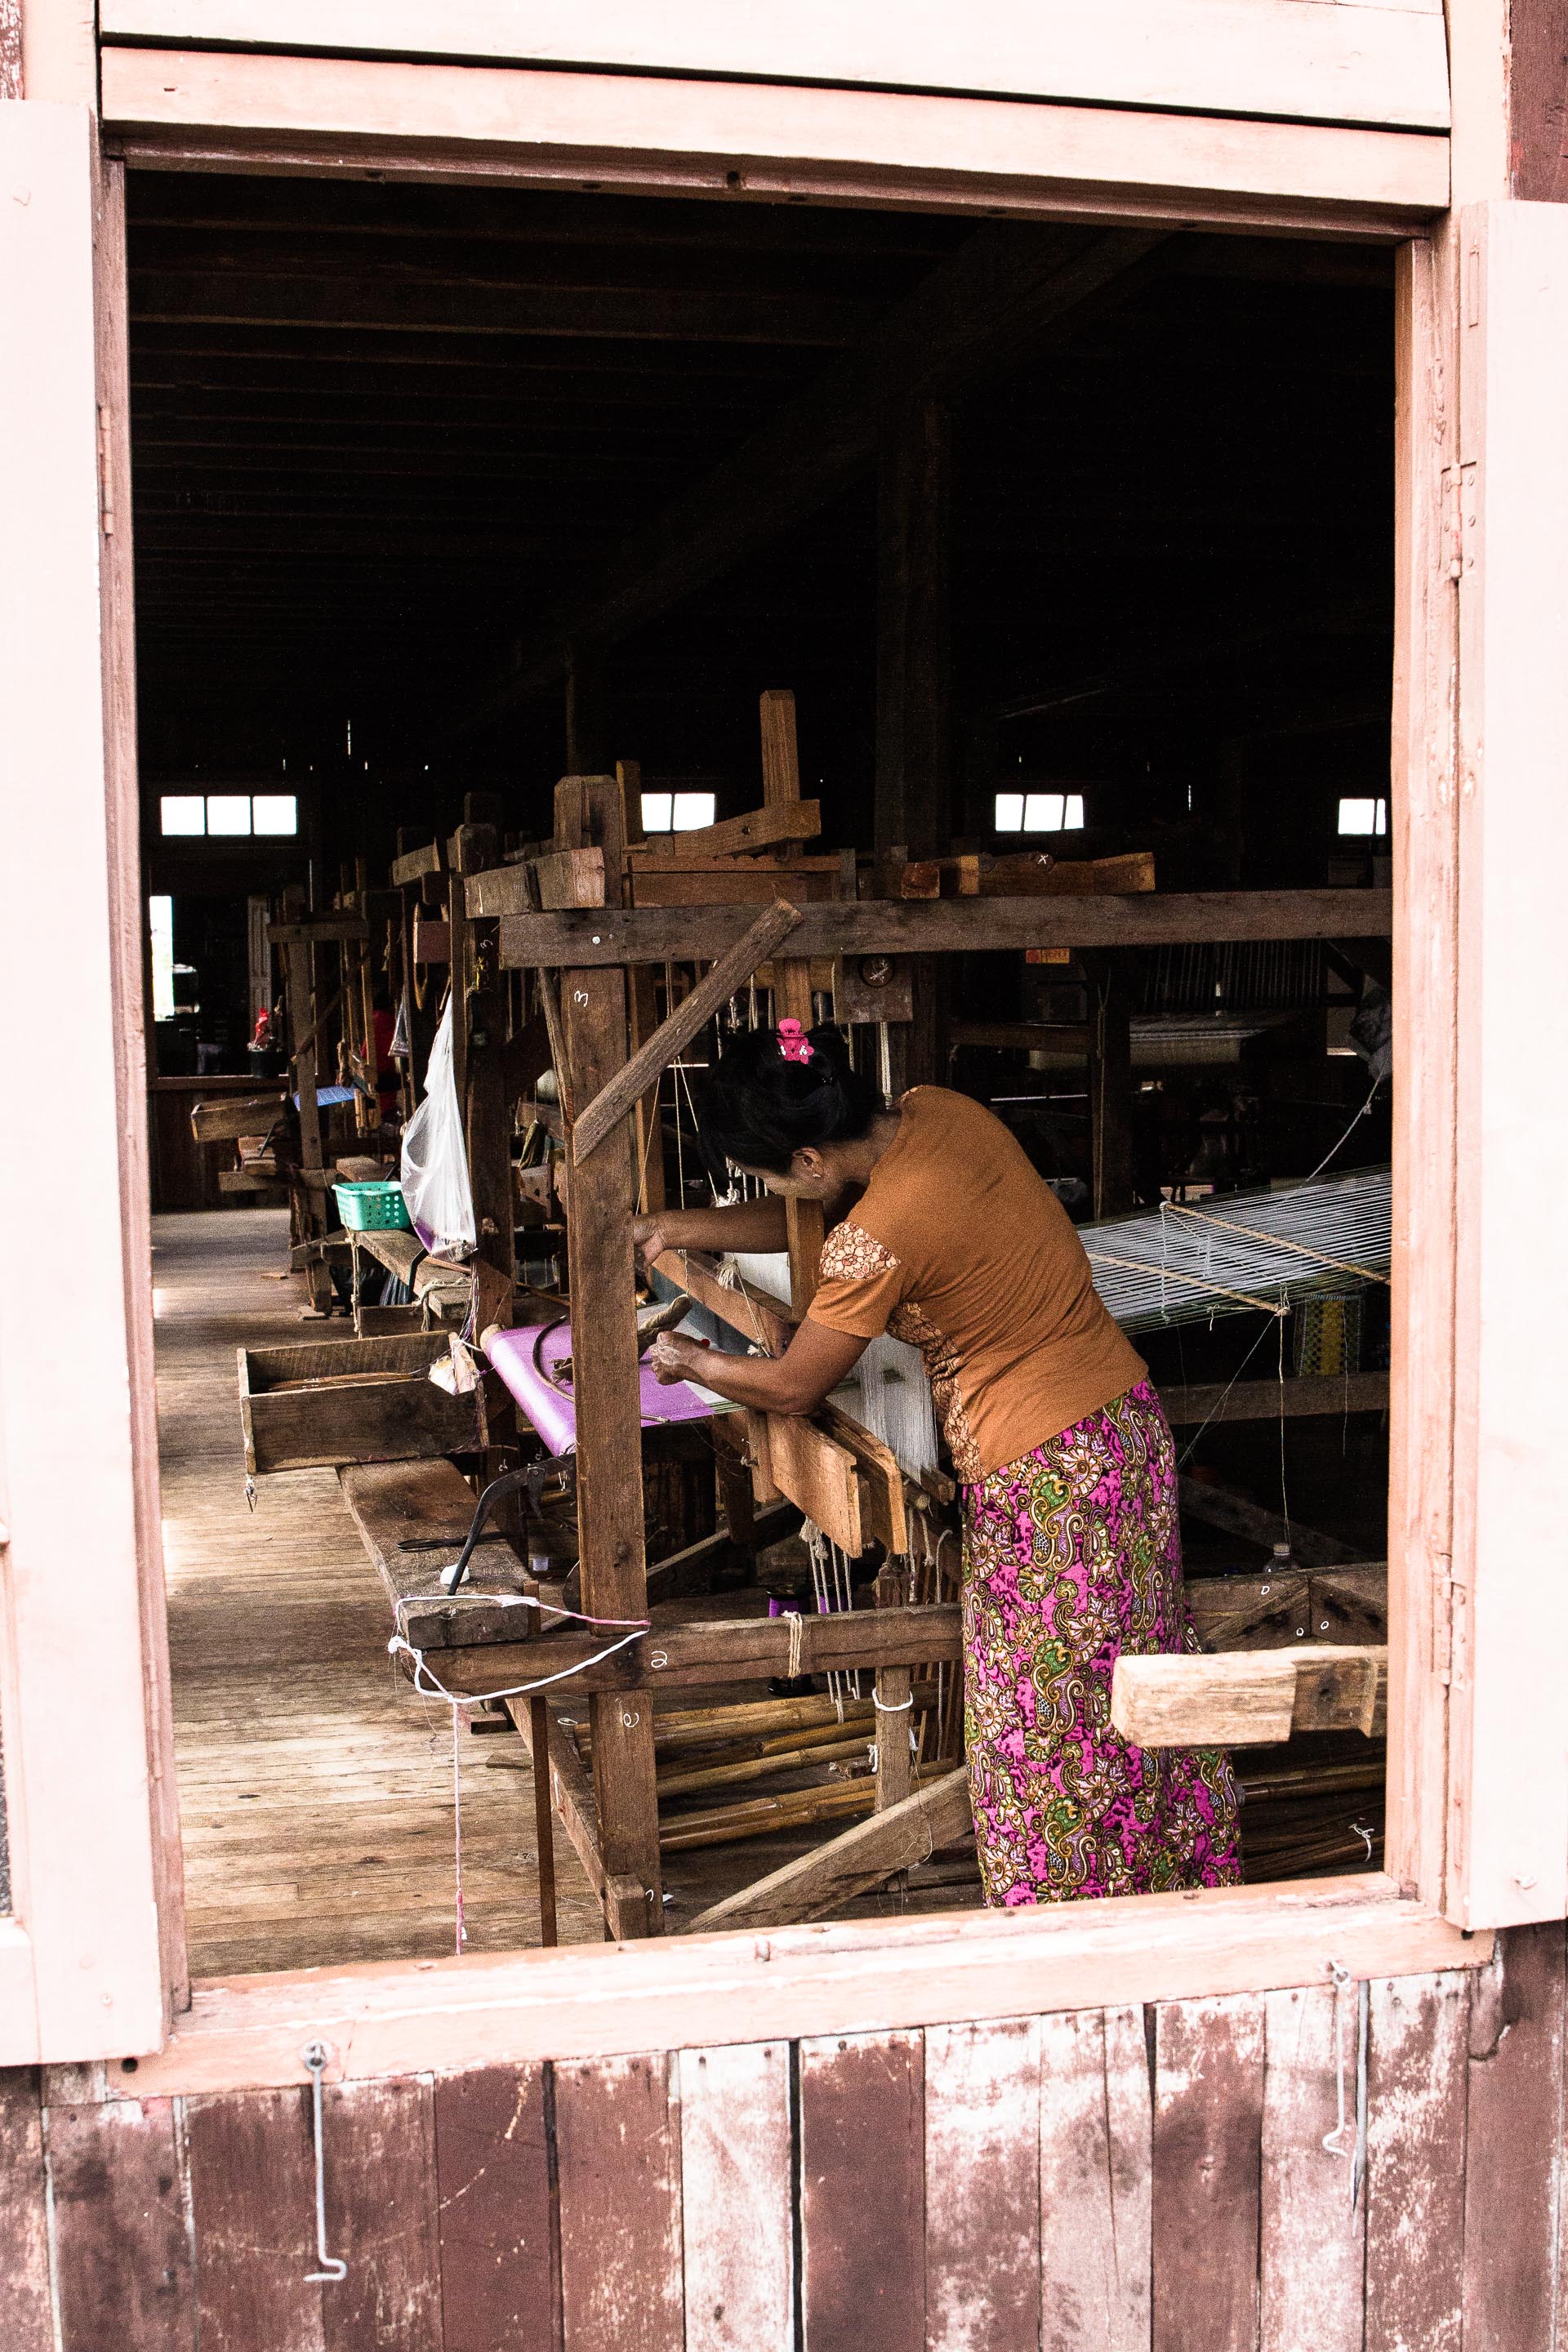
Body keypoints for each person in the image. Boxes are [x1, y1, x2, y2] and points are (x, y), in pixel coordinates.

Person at [636, 1019, 1240, 1908]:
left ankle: (1072, 1929)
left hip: (1047, 1478)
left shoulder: (878, 1237)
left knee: (1047, 1725)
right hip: (1122, 1433)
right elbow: (819, 1208)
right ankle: (1181, 1888)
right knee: (1135, 1675)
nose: (774, 1190)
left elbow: (798, 1383)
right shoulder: (939, 1115)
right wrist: (670, 1227)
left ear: (807, 1159)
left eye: (766, 1173)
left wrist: (695, 1362)